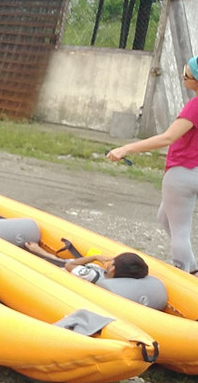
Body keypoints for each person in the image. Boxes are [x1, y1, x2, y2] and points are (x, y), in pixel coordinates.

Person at [108, 56, 198, 275]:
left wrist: (126, 148)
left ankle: (185, 273)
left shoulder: (194, 106)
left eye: (187, 75)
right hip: (192, 171)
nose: (183, 78)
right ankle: (191, 269)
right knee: (164, 217)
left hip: (182, 172)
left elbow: (167, 138)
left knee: (180, 231)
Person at [21, 242, 149, 283]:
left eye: (112, 261)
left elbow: (67, 265)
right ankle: (39, 251)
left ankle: (37, 252)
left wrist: (94, 257)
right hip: (62, 265)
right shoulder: (106, 277)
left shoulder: (92, 276)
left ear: (112, 269)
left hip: (53, 271)